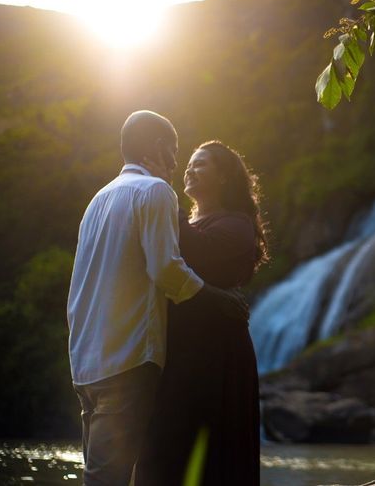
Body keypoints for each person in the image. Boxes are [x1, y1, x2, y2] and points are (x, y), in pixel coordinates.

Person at [66, 111, 249, 486]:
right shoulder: (155, 191)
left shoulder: (98, 200)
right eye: (176, 151)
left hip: (86, 359)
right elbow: (167, 270)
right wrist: (218, 299)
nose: (177, 162)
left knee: (102, 473)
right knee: (108, 479)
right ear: (160, 147)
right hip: (128, 358)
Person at [135, 141, 267, 486]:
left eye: (201, 164)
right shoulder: (189, 220)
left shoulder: (237, 224)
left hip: (218, 355)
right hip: (182, 350)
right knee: (164, 452)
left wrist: (165, 193)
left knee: (215, 456)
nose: (189, 170)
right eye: (189, 164)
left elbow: (196, 251)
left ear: (224, 176)